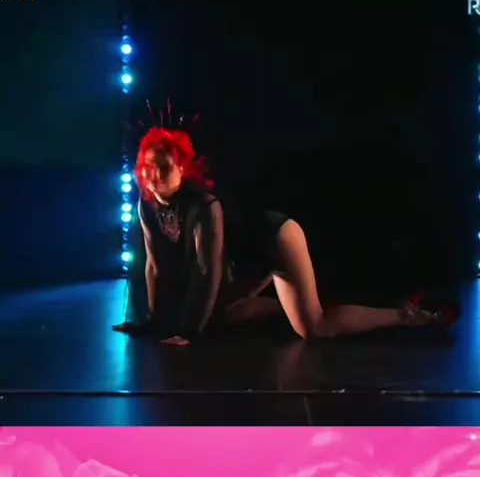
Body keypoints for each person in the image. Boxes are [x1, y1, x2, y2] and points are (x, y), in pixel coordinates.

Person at [113, 126, 459, 345]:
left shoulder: (204, 205)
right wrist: (153, 322)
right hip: (246, 259)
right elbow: (155, 267)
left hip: (274, 239)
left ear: (181, 168)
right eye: (148, 167)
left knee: (316, 328)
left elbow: (207, 270)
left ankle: (409, 316)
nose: (155, 175)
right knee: (223, 314)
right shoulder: (148, 205)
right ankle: (299, 305)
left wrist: (188, 332)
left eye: (164, 166)